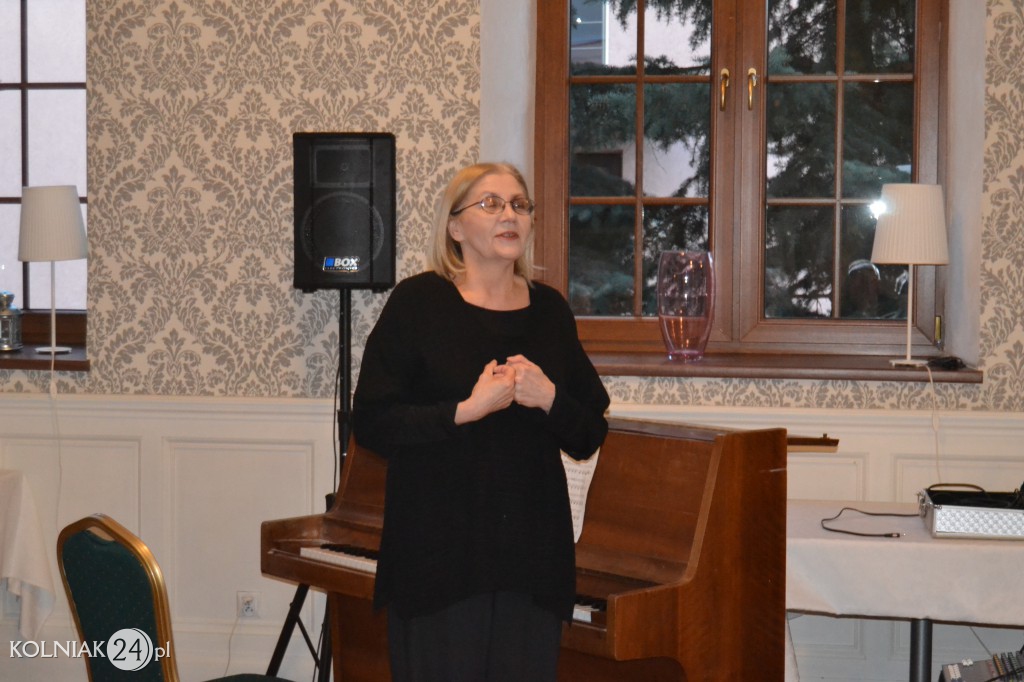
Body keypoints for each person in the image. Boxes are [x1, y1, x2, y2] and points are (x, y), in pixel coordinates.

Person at [352, 162, 610, 682]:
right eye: (490, 204)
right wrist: (465, 411)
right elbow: (373, 421)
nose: (509, 215)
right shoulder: (418, 303)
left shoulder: (550, 312)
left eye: (519, 205)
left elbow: (589, 433)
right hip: (439, 559)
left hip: (531, 563)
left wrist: (549, 398)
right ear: (455, 226)